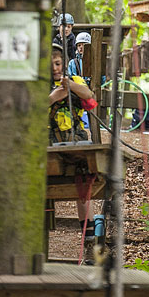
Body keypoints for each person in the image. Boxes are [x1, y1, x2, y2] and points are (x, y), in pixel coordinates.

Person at [48, 41, 97, 243]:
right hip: (48, 145)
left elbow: (91, 100)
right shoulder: (36, 85)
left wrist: (72, 87)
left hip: (76, 144)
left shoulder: (75, 80)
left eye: (58, 63)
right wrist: (53, 97)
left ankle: (90, 238)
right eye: (51, 65)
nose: (55, 69)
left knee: (83, 187)